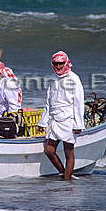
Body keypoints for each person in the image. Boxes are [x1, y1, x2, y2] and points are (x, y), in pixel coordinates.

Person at [37, 51, 85, 180]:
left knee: (68, 152)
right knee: (49, 150)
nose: (58, 67)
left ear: (66, 63)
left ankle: (67, 181)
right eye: (56, 64)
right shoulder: (53, 78)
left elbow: (79, 102)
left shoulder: (74, 78)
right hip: (55, 119)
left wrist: (78, 124)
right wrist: (42, 122)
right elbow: (49, 102)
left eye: (61, 64)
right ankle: (63, 173)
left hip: (69, 119)